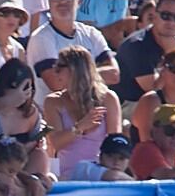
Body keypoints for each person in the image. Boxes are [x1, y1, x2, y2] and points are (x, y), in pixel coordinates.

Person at [45, 45, 121, 181]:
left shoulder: (108, 98)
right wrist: (79, 127)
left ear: (75, 70)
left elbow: (115, 144)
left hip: (100, 172)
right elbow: (55, 143)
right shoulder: (53, 102)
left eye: (59, 67)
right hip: (69, 174)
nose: (55, 72)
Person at [115, 0, 175, 105]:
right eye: (166, 16)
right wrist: (170, 53)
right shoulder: (137, 45)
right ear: (155, 16)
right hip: (131, 104)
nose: (171, 22)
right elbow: (155, 90)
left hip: (168, 101)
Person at [68, 131, 135, 181]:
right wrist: (134, 182)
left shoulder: (128, 178)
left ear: (128, 162)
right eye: (110, 156)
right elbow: (114, 176)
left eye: (121, 158)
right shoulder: (83, 167)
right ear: (100, 157)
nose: (116, 162)